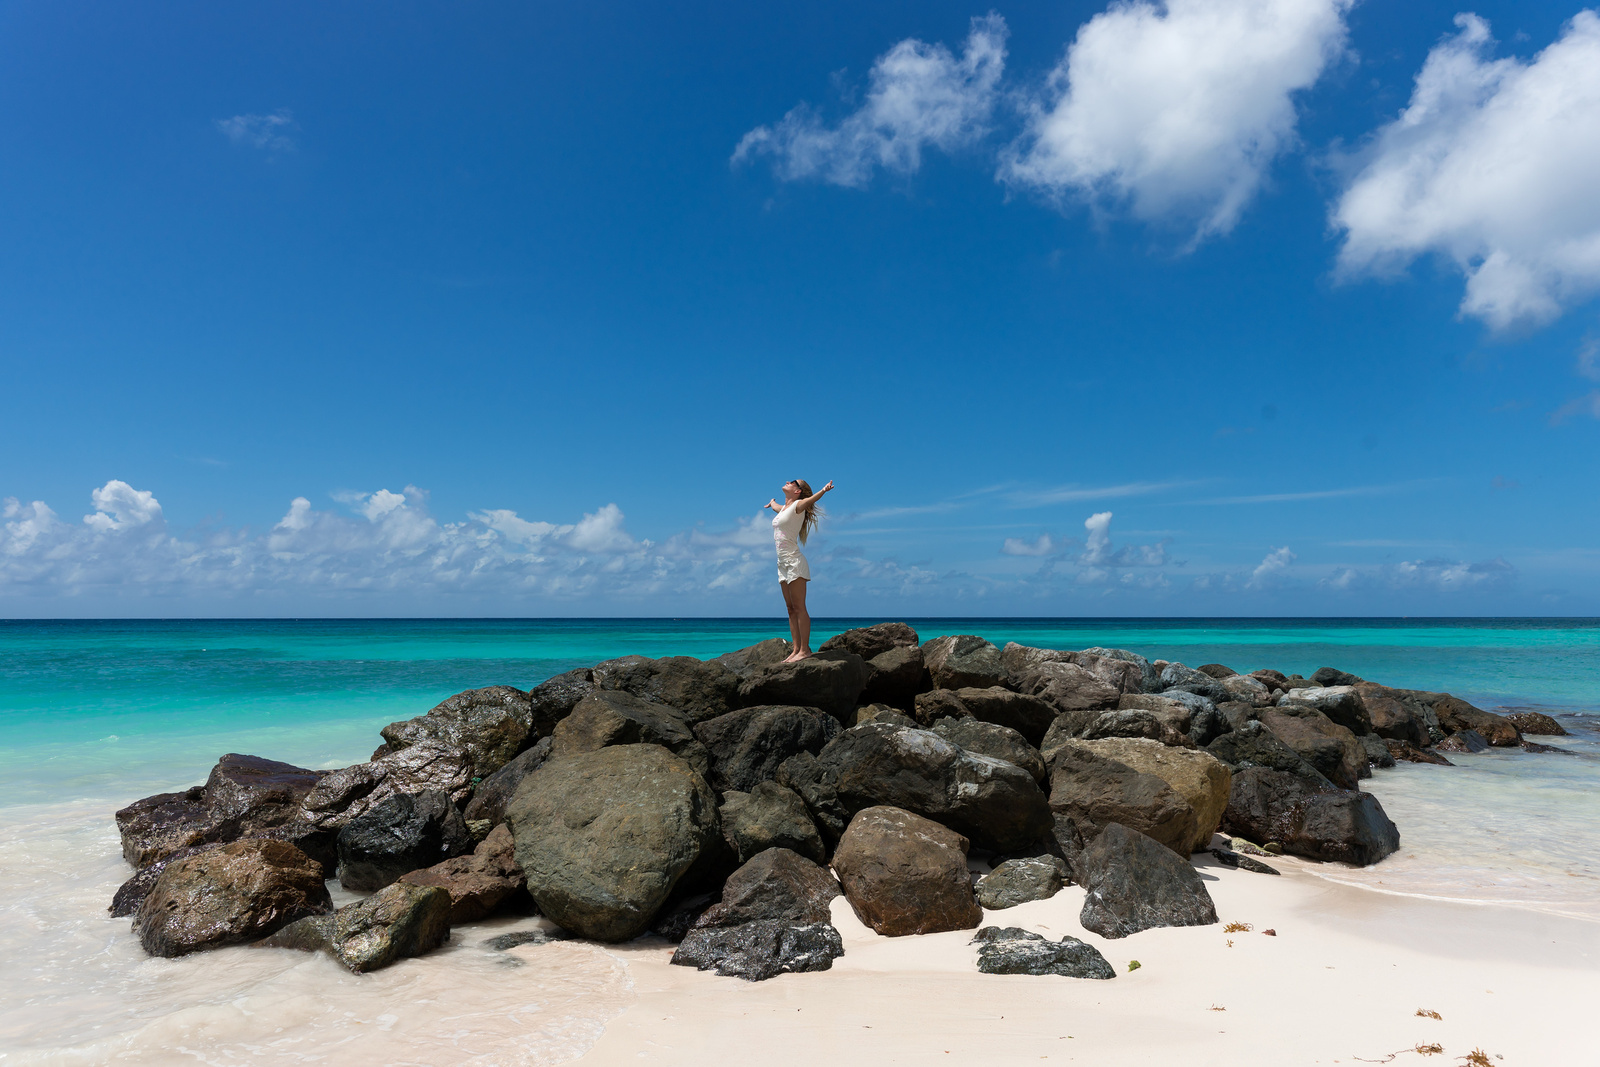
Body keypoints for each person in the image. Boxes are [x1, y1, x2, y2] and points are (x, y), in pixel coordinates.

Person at [764, 478, 834, 662]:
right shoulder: (785, 509)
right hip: (782, 564)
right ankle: (796, 649)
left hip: (794, 561)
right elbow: (777, 507)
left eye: (793, 482)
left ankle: (804, 650)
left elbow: (811, 500)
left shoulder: (798, 505)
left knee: (799, 607)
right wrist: (772, 503)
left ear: (797, 491)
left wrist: (823, 490)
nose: (788, 481)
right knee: (790, 609)